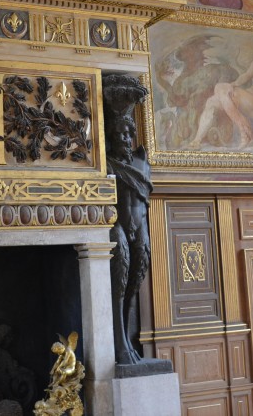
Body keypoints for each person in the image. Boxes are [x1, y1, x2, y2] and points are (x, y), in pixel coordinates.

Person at [102, 74, 153, 365]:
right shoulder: (106, 163)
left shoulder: (141, 162)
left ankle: (128, 337)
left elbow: (144, 197)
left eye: (127, 134)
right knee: (118, 283)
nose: (123, 138)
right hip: (116, 226)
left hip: (141, 228)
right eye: (117, 134)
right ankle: (118, 341)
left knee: (134, 284)